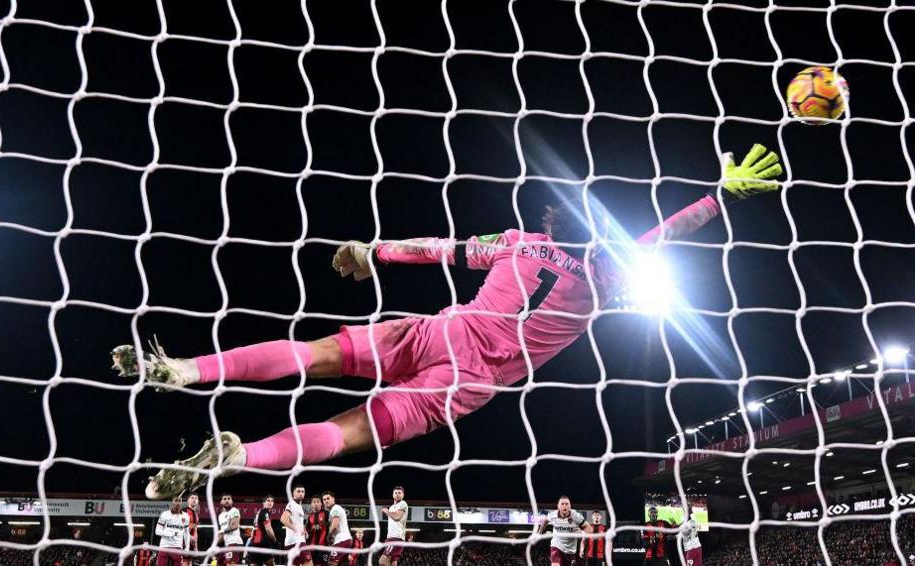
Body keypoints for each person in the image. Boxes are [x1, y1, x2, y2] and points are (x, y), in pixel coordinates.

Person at [110, 146, 784, 499]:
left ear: (553, 220)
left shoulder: (517, 241)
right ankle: (243, 457)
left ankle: (186, 369)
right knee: (352, 432)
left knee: (315, 353)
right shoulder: (608, 278)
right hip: (468, 380)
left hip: (437, 330)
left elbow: (437, 249)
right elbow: (664, 234)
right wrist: (720, 197)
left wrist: (374, 250)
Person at [538, 496, 593, 566]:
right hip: (556, 546)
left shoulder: (576, 516)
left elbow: (589, 529)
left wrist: (583, 536)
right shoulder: (553, 515)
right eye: (562, 504)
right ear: (558, 506)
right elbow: (545, 521)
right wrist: (539, 533)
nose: (565, 506)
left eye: (567, 504)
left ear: (570, 506)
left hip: (570, 550)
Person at [281, 485, 313, 566]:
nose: (301, 493)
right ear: (293, 493)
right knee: (309, 564)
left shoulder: (299, 506)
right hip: (297, 542)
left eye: (302, 492)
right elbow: (283, 519)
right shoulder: (292, 504)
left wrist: (305, 531)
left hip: (291, 542)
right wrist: (296, 529)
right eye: (298, 491)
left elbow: (298, 522)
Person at [156, 496, 190, 566]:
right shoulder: (165, 514)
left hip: (177, 547)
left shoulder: (186, 516)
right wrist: (169, 534)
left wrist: (187, 547)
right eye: (175, 501)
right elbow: (157, 531)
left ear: (181, 503)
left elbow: (186, 533)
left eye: (179, 501)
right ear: (172, 502)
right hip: (164, 546)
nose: (177, 503)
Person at [322, 492, 353, 565]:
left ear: (333, 499)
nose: (326, 501)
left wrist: (329, 536)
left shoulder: (335, 508)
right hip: (345, 540)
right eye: (324, 499)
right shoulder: (334, 510)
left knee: (332, 563)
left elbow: (335, 524)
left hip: (342, 540)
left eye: (328, 498)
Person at [380, 486, 408, 566]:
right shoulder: (392, 507)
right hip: (390, 537)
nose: (397, 494)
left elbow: (397, 517)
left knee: (382, 561)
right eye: (395, 493)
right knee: (392, 561)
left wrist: (386, 511)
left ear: (403, 494)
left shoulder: (403, 504)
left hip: (397, 537)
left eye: (399, 493)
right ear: (393, 495)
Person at [248, 495, 278, 566]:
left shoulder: (259, 512)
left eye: (272, 501)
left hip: (253, 544)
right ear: (263, 503)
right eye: (268, 500)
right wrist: (275, 540)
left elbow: (254, 530)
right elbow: (268, 529)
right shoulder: (265, 512)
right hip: (263, 543)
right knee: (270, 564)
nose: (270, 502)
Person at [217, 494, 245, 565]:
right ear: (221, 502)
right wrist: (214, 545)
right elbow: (222, 535)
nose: (227, 500)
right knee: (219, 563)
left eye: (229, 499)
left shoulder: (234, 511)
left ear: (232, 501)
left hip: (235, 543)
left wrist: (222, 531)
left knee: (230, 564)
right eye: (225, 499)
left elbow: (235, 526)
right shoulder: (220, 516)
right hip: (227, 545)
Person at [307, 495, 329, 566]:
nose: (316, 504)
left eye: (318, 502)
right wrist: (312, 528)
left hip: (324, 546)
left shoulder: (326, 513)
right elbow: (307, 529)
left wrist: (323, 525)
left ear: (321, 503)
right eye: (314, 502)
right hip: (312, 546)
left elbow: (332, 524)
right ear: (311, 504)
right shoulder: (310, 516)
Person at [184, 494, 201, 559]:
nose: (194, 499)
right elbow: (181, 529)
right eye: (192, 498)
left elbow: (195, 531)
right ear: (188, 500)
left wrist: (195, 547)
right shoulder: (184, 512)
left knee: (189, 563)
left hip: (191, 543)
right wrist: (190, 538)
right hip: (183, 543)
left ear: (198, 501)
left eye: (196, 498)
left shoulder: (196, 515)